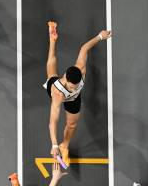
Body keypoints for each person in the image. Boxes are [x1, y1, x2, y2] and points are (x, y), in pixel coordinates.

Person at [44, 21, 111, 165]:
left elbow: (84, 49)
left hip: (73, 99)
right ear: (66, 78)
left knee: (72, 125)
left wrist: (100, 36)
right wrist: (54, 144)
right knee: (51, 73)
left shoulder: (81, 69)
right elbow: (53, 121)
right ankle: (52, 41)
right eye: (72, 86)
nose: (74, 87)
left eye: (76, 86)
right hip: (59, 91)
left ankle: (65, 145)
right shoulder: (57, 92)